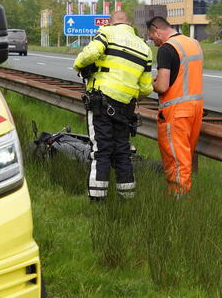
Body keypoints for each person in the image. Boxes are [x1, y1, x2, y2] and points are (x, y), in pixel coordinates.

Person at [73, 11, 153, 201]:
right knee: (123, 151)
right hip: (126, 106)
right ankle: (127, 198)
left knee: (101, 149)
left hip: (102, 100)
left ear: (111, 23)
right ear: (129, 24)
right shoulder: (145, 48)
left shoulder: (107, 33)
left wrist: (78, 65)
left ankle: (97, 199)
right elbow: (146, 88)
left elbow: (91, 53)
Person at [146, 16, 204, 195]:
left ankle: (178, 201)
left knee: (177, 162)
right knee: (185, 158)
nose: (153, 42)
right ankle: (180, 196)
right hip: (195, 109)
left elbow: (162, 86)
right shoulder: (193, 43)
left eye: (152, 37)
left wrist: (151, 83)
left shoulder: (166, 49)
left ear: (157, 30)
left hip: (176, 111)